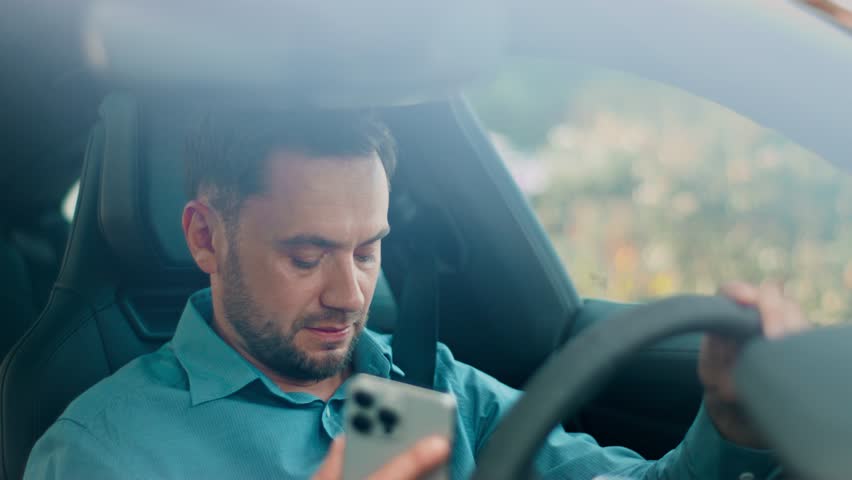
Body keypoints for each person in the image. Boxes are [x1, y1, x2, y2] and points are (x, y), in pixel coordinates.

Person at [24, 110, 808, 479]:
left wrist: (732, 424)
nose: (349, 292)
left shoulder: (424, 385)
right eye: (307, 255)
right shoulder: (101, 450)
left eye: (368, 250)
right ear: (205, 236)